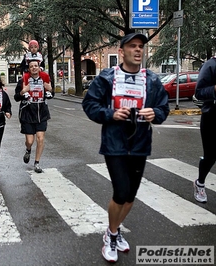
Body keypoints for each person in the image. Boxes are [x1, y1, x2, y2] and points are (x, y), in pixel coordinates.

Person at [82, 32, 169, 263]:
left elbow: (163, 108)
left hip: (140, 144)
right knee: (120, 192)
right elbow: (89, 104)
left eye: (141, 46)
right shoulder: (107, 78)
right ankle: (110, 235)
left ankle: (116, 229)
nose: (138, 50)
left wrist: (155, 113)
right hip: (115, 144)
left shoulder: (151, 80)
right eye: (133, 46)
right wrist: (111, 113)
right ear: (121, 51)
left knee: (130, 195)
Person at [14, 60, 53, 173]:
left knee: (40, 138)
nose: (34, 68)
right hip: (28, 113)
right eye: (31, 66)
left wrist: (50, 91)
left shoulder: (45, 79)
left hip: (42, 112)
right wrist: (23, 92)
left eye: (36, 66)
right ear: (29, 69)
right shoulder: (23, 80)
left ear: (39, 67)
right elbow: (16, 97)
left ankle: (37, 163)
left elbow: (51, 93)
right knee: (30, 141)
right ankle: (28, 149)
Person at [193, 56, 216, 203]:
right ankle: (199, 183)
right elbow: (199, 92)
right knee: (211, 156)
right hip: (212, 117)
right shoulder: (211, 65)